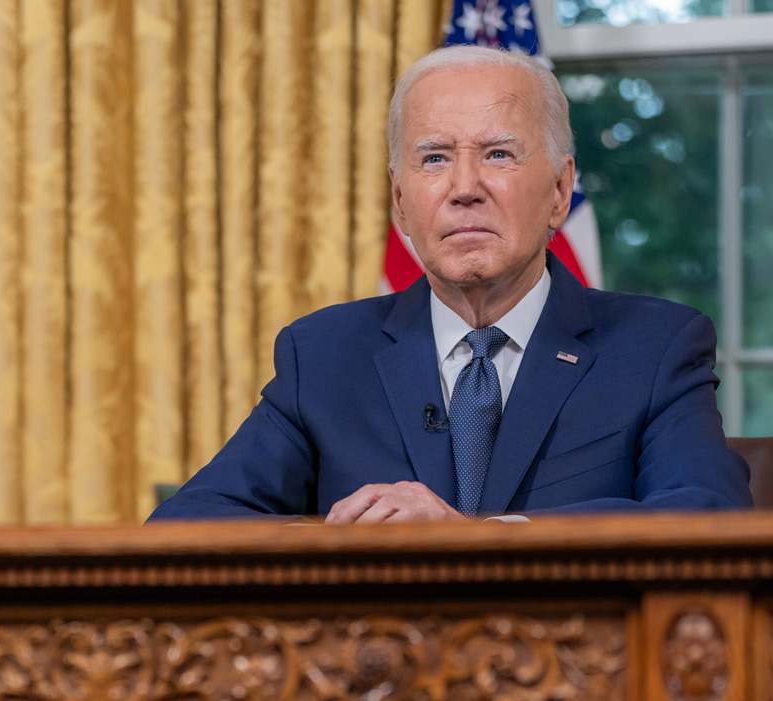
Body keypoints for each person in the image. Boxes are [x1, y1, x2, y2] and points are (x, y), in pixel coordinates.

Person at [148, 45, 753, 524]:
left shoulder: (654, 347)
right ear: (400, 201)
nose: (464, 186)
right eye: (434, 158)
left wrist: (481, 536)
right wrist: (334, 537)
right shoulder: (324, 355)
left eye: (497, 154)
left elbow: (709, 516)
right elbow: (189, 524)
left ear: (561, 192)